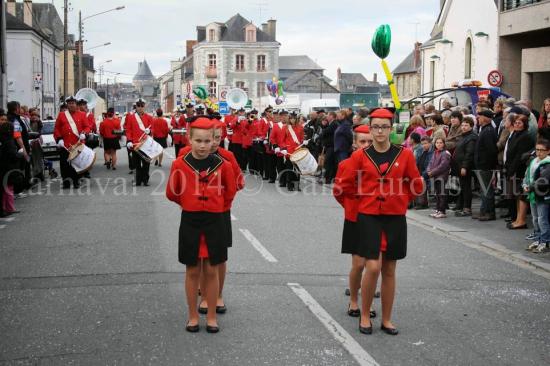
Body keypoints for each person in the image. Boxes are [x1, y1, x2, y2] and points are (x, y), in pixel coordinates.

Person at [337, 108, 423, 336]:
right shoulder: (359, 156)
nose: (379, 131)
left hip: (395, 217)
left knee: (390, 269)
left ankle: (386, 319)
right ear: (371, 128)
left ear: (391, 128)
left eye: (384, 127)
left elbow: (416, 183)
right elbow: (343, 185)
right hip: (369, 216)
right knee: (372, 266)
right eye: (375, 126)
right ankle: (364, 314)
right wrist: (360, 201)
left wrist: (401, 199)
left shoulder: (404, 154)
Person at [166, 117, 237, 333]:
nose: (203, 145)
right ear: (189, 139)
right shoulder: (179, 163)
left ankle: (212, 316)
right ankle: (192, 315)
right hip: (191, 220)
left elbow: (230, 190)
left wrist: (216, 206)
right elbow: (172, 192)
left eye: (207, 141)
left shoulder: (223, 165)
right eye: (198, 140)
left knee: (212, 270)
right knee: (192, 270)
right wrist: (189, 202)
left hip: (215, 221)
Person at [197, 120, 245, 315]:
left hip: (220, 211)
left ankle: (217, 295)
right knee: (201, 255)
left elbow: (239, 182)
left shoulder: (227, 156)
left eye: (218, 138)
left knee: (219, 256)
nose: (215, 142)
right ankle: (203, 295)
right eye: (211, 138)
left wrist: (222, 197)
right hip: (198, 211)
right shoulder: (190, 155)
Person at [333, 124, 376, 319]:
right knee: (358, 264)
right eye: (363, 141)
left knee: (373, 266)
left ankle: (368, 302)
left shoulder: (380, 164)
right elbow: (339, 192)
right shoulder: (345, 164)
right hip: (355, 217)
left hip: (376, 218)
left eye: (370, 141)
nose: (366, 145)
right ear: (354, 144)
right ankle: (353, 300)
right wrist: (352, 205)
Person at [504, 114, 535, 229]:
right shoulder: (515, 134)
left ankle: (521, 220)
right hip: (512, 168)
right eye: (515, 122)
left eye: (519, 123)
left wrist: (511, 171)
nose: (517, 124)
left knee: (520, 195)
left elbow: (519, 156)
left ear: (525, 125)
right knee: (515, 195)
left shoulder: (525, 137)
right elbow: (509, 153)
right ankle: (517, 218)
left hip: (520, 170)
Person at [53, 96, 89, 189]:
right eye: (69, 103)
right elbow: (57, 128)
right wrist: (59, 139)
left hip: (77, 144)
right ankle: (66, 182)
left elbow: (87, 127)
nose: (71, 105)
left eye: (73, 103)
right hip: (65, 144)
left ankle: (76, 181)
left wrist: (84, 133)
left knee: (76, 164)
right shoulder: (61, 115)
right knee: (64, 164)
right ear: (67, 105)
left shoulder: (82, 115)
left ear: (76, 104)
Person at [523, 139, 550, 253]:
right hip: (533, 194)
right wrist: (525, 184)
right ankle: (538, 239)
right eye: (537, 149)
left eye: (542, 150)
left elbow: (543, 180)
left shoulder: (548, 164)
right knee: (535, 219)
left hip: (543, 195)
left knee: (542, 219)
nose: (539, 152)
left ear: (548, 151)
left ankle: (545, 241)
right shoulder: (534, 161)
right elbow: (527, 174)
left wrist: (531, 187)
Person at [473, 109, 498, 221]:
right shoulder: (484, 129)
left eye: (480, 117)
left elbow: (491, 150)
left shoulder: (488, 131)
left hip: (485, 166)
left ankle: (489, 212)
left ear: (486, 118)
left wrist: (485, 164)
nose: (478, 119)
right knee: (484, 190)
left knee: (487, 189)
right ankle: (483, 211)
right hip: (482, 165)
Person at [125, 98, 154, 186]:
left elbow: (153, 128)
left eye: (142, 106)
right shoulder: (131, 117)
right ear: (136, 107)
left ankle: (145, 180)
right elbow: (128, 130)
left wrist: (150, 131)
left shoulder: (149, 117)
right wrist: (129, 140)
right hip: (135, 144)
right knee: (136, 163)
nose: (140, 107)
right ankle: (138, 180)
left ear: (144, 106)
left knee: (146, 163)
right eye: (138, 106)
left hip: (146, 143)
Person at [453, 116, 478, 217]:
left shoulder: (472, 137)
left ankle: (467, 208)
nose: (463, 127)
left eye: (466, 125)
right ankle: (462, 206)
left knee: (466, 187)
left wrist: (464, 167)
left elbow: (469, 153)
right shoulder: (464, 136)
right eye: (462, 125)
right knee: (463, 187)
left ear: (471, 126)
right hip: (459, 166)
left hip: (466, 167)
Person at [0, 109, 20, 217]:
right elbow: (13, 154)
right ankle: (9, 208)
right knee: (8, 188)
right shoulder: (9, 141)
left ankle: (4, 208)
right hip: (8, 168)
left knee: (4, 189)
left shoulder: (3, 139)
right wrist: (19, 154)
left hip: (3, 167)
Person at [427, 137, 451, 218]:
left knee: (442, 194)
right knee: (437, 194)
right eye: (437, 143)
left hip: (442, 176)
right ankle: (438, 210)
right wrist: (428, 171)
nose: (439, 144)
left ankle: (442, 211)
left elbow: (443, 166)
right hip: (435, 176)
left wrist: (432, 172)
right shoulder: (435, 152)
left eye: (441, 143)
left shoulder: (445, 153)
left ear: (444, 144)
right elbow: (430, 163)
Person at [282, 112, 304, 191]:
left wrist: (304, 142)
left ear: (296, 119)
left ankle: (297, 185)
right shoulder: (285, 128)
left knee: (298, 169)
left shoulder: (300, 127)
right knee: (290, 168)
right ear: (289, 119)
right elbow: (282, 140)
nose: (293, 120)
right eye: (291, 118)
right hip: (289, 151)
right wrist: (284, 148)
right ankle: (289, 185)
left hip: (298, 150)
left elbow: (301, 138)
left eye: (294, 118)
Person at [320, 111, 339, 184]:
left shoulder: (334, 124)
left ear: (332, 116)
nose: (327, 117)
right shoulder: (331, 124)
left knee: (328, 162)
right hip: (330, 146)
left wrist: (323, 130)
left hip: (332, 146)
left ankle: (328, 179)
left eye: (328, 115)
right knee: (330, 163)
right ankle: (330, 178)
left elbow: (326, 132)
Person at [415, 136, 434, 209]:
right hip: (420, 173)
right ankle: (412, 203)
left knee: (421, 181)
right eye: (422, 144)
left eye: (425, 143)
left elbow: (430, 166)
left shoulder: (432, 153)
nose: (424, 145)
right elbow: (416, 163)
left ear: (430, 143)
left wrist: (423, 175)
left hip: (428, 174)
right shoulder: (421, 151)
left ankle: (422, 203)